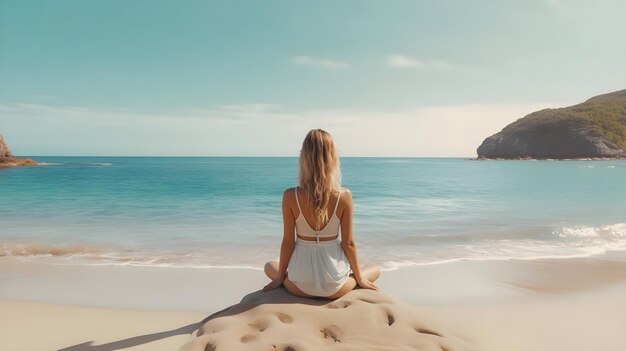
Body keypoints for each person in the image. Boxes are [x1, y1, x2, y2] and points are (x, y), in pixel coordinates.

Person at [262, 129, 381, 298]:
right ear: (332, 157)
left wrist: (280, 278)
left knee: (269, 266)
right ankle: (355, 279)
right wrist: (359, 278)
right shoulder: (344, 196)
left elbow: (288, 243)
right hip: (335, 287)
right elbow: (348, 243)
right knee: (375, 269)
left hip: (299, 286)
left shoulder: (290, 196)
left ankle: (286, 278)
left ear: (304, 158)